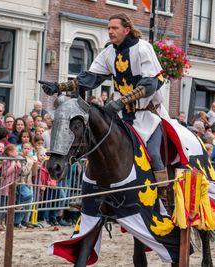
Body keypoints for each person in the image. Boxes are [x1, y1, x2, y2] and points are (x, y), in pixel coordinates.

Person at [39, 13, 168, 187]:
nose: (110, 31)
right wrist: (59, 87)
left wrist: (122, 101)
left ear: (127, 29)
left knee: (153, 153)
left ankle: (162, 193)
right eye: (108, 28)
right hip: (120, 115)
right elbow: (91, 78)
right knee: (101, 149)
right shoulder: (109, 52)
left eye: (114, 28)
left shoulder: (143, 48)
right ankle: (95, 193)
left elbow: (150, 83)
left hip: (147, 116)